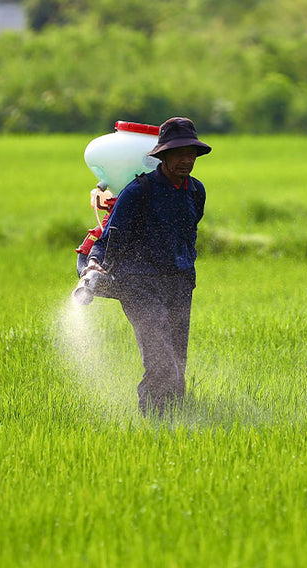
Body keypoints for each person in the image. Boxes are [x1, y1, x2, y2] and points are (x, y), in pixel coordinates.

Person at [84, 117, 211, 416]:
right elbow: (110, 235)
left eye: (191, 153)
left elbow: (187, 236)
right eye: (179, 153)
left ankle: (176, 418)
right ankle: (152, 420)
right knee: (161, 360)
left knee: (178, 361)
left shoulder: (196, 191)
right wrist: (94, 263)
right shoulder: (139, 191)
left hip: (179, 283)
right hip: (138, 284)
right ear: (162, 155)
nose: (186, 159)